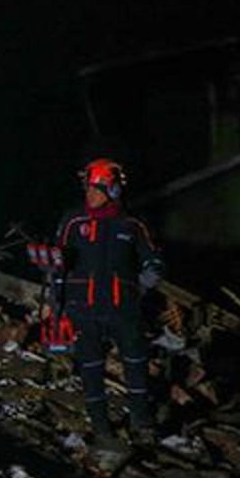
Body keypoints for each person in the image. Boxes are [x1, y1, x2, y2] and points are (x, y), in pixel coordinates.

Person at [51, 158, 164, 451]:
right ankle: (101, 428)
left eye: (97, 188)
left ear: (113, 190)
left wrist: (144, 282)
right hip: (83, 308)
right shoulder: (74, 221)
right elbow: (58, 263)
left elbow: (153, 259)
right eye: (88, 187)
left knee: (135, 365)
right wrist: (57, 304)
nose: (90, 194)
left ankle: (143, 425)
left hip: (123, 308)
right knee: (90, 368)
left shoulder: (132, 224)